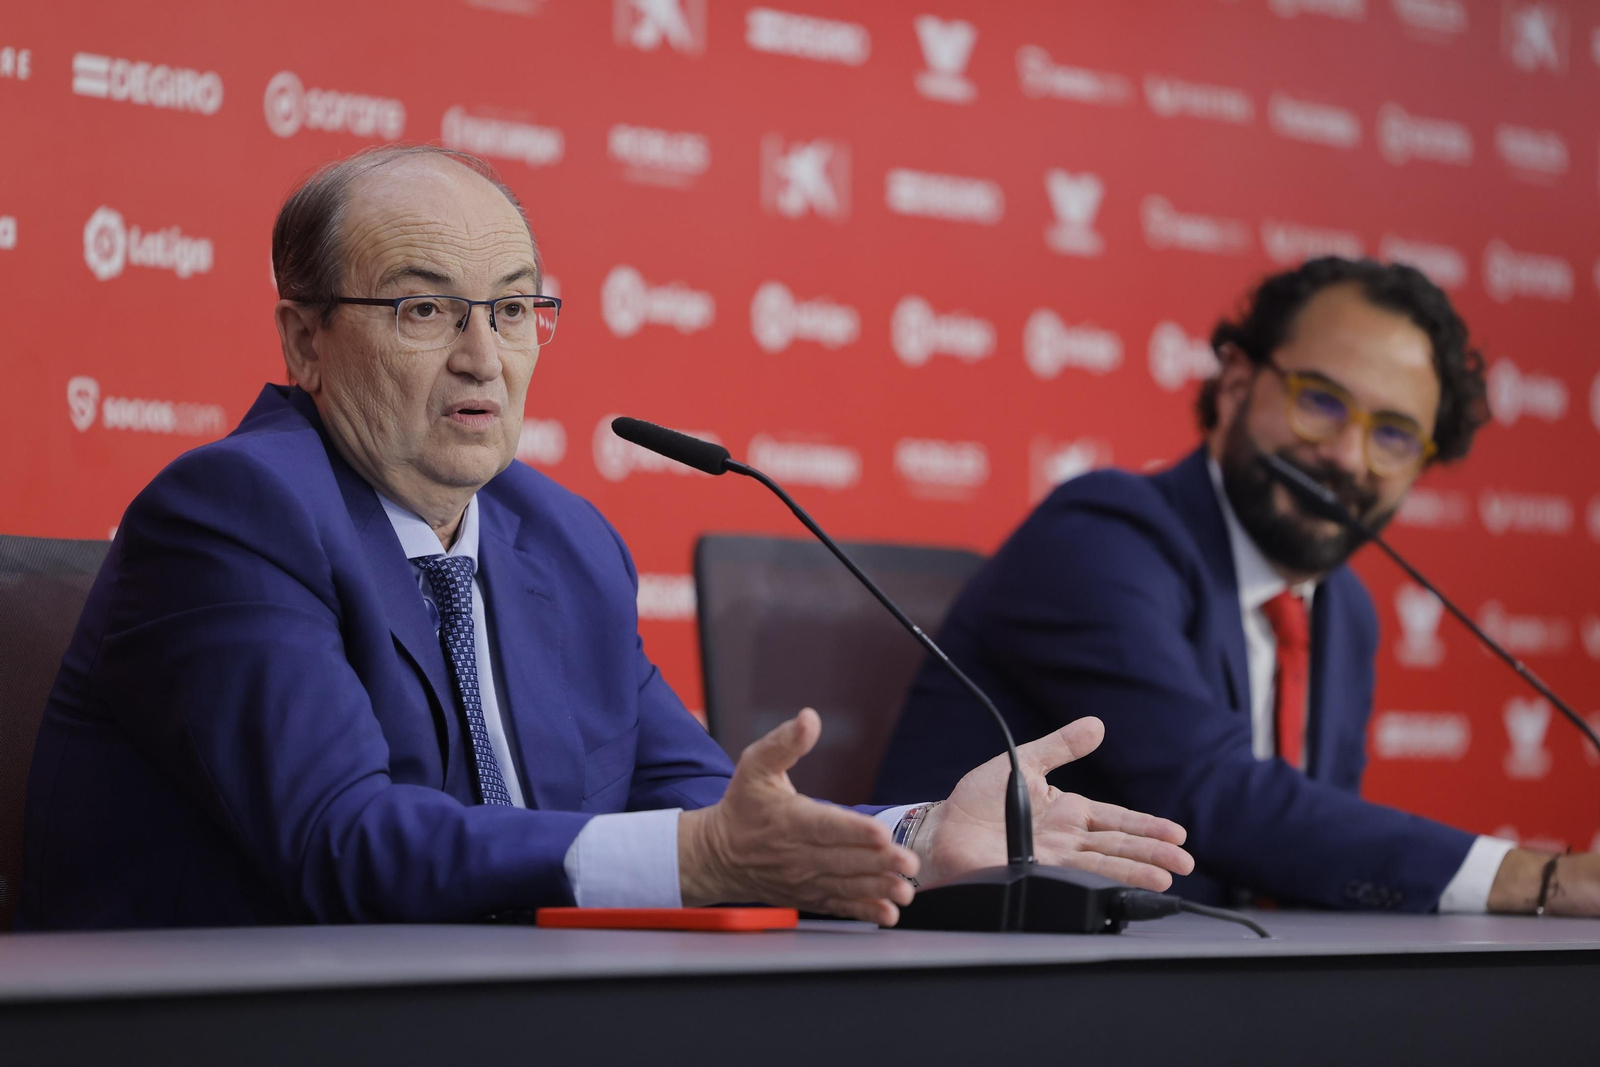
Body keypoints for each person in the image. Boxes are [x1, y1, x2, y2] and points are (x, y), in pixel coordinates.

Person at [18, 146, 1191, 929]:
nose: (484, 355)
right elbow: (341, 843)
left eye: (517, 308)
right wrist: (688, 861)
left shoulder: (559, 538)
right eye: (425, 308)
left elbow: (700, 803)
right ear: (306, 341)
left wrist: (915, 834)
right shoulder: (232, 514)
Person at [875, 258, 1600, 916]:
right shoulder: (1100, 535)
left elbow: (1305, 853)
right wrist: (1540, 880)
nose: (1347, 457)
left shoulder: (1343, 610)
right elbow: (1209, 792)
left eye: (1394, 435)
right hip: (994, 977)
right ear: (1235, 382)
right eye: (1320, 402)